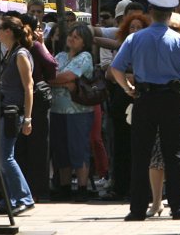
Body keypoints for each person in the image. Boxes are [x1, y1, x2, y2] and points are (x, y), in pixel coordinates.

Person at [110, 0, 180, 222]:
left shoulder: (135, 39)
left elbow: (116, 68)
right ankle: (179, 208)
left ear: (150, 13)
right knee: (175, 155)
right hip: (171, 99)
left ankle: (138, 209)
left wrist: (128, 88)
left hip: (144, 98)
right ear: (171, 14)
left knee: (141, 155)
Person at [146, 12, 180, 217]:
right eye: (169, 28)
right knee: (156, 160)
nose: (172, 32)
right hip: (157, 110)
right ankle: (156, 201)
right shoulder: (154, 49)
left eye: (176, 28)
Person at [101, 11, 149, 202]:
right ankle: (119, 187)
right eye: (132, 27)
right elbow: (109, 73)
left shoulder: (147, 50)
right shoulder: (123, 48)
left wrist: (135, 77)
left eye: (139, 28)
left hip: (142, 102)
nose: (135, 31)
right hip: (122, 101)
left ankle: (138, 187)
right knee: (120, 146)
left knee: (140, 147)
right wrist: (126, 78)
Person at [0, 16, 35, 216]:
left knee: (6, 158)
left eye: (0, 28)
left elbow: (28, 87)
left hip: (12, 112)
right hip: (5, 109)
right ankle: (9, 199)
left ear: (8, 31)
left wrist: (27, 118)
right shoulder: (10, 53)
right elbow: (13, 83)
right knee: (2, 157)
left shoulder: (20, 54)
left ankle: (24, 198)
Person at [47, 24, 95, 202]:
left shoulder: (85, 57)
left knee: (78, 149)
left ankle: (82, 187)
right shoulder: (59, 56)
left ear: (84, 43)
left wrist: (55, 80)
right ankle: (65, 187)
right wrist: (60, 81)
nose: (71, 39)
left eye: (77, 37)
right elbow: (58, 77)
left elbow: (66, 76)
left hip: (78, 111)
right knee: (61, 150)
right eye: (71, 35)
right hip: (57, 109)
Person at [14, 14, 58, 202]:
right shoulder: (33, 46)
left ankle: (30, 189)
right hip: (33, 99)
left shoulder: (23, 47)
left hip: (27, 98)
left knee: (27, 147)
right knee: (35, 146)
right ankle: (36, 189)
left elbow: (50, 66)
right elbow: (52, 65)